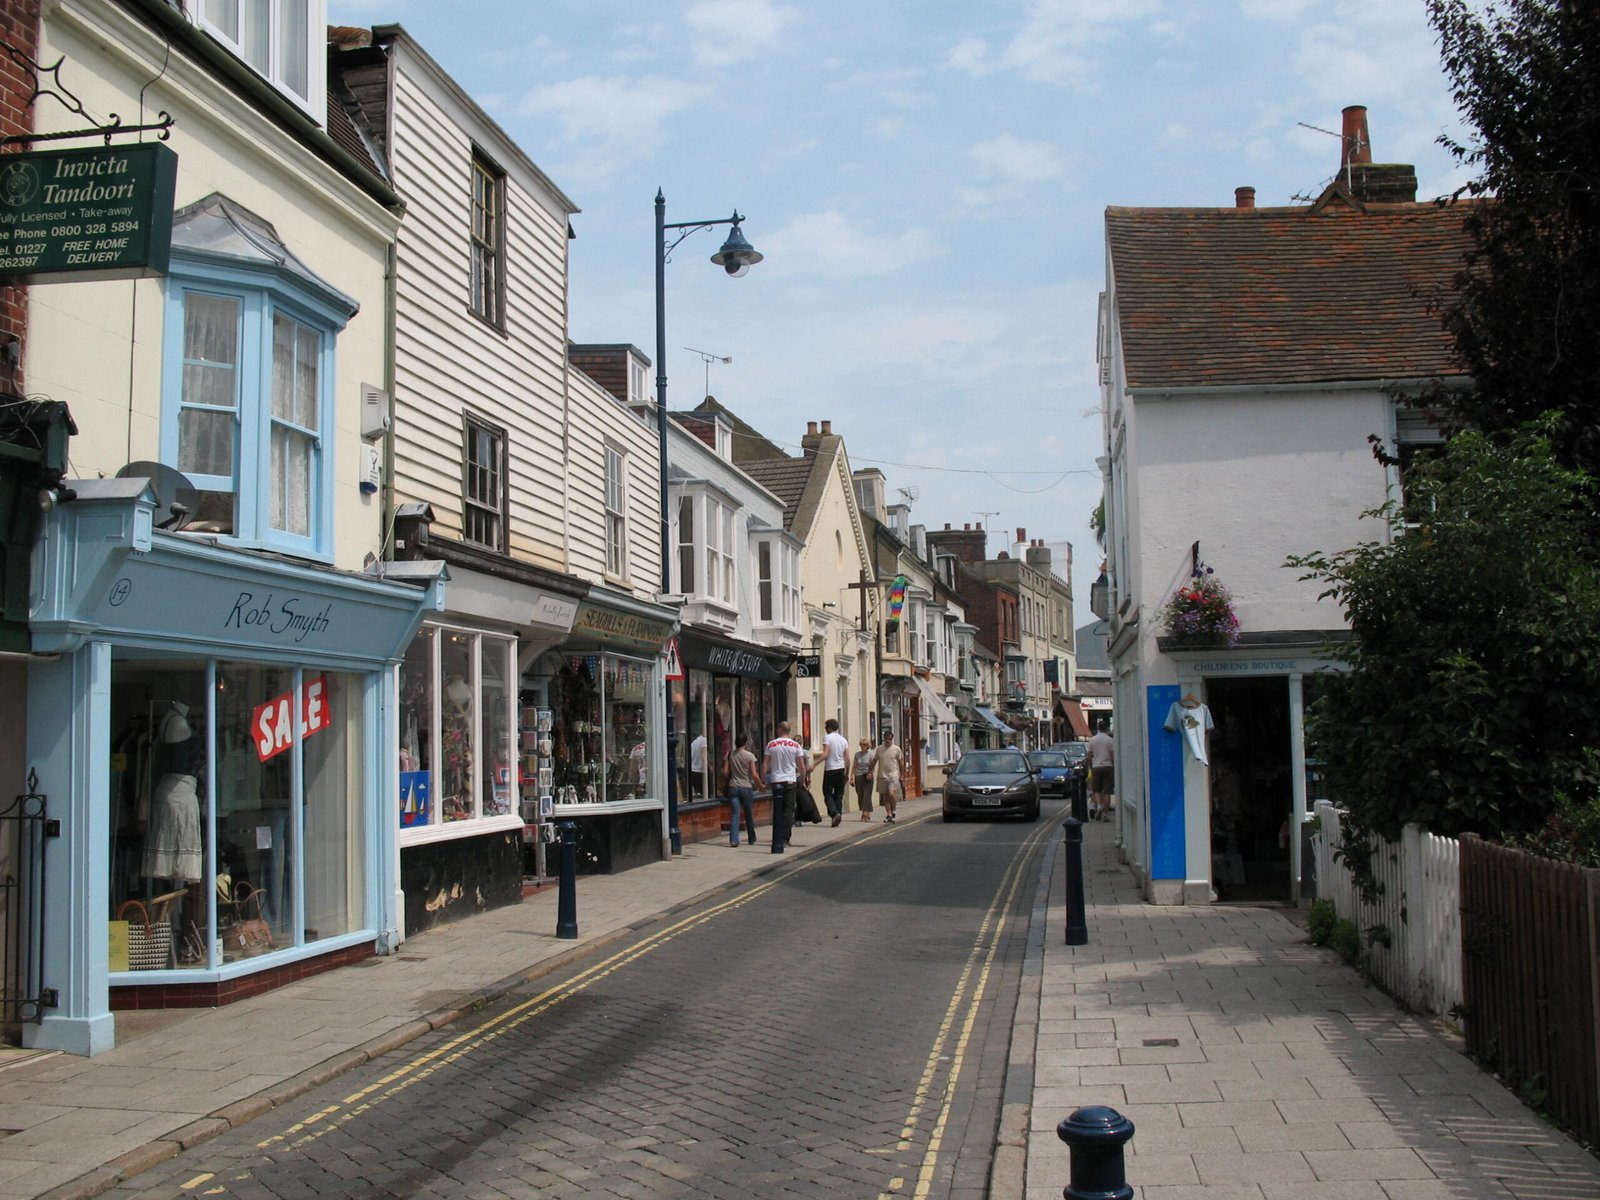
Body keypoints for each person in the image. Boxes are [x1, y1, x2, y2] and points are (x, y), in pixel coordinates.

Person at [763, 721, 808, 853]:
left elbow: (765, 764)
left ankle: (776, 836)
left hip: (776, 780)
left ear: (780, 729)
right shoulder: (795, 745)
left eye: (777, 728)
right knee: (788, 810)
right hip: (790, 781)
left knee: (777, 808)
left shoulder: (771, 744)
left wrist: (762, 780)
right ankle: (785, 838)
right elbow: (802, 766)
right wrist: (802, 780)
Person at [726, 733, 760, 846]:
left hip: (733, 786)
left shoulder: (730, 754)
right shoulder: (750, 756)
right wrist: (760, 786)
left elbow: (725, 772)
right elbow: (754, 774)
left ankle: (734, 840)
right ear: (745, 742)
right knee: (748, 814)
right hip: (746, 787)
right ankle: (751, 837)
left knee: (735, 814)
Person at [818, 717, 850, 827]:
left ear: (830, 727)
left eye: (826, 727)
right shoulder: (843, 740)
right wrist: (847, 773)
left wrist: (814, 764)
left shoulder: (827, 738)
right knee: (839, 795)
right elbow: (848, 758)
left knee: (827, 793)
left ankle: (834, 813)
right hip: (841, 769)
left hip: (830, 769)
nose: (825, 729)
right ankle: (837, 815)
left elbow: (825, 754)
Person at [873, 729, 904, 823]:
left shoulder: (896, 749)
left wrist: (902, 774)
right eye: (886, 739)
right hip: (882, 775)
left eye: (889, 739)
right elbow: (874, 760)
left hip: (893, 776)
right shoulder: (879, 749)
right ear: (884, 739)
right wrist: (870, 771)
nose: (887, 741)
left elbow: (901, 763)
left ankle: (894, 812)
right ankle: (888, 814)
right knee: (885, 797)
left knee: (891, 794)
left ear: (892, 739)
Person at [1088, 721, 1115, 821]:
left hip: (1096, 767)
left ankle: (1099, 806)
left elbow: (1089, 755)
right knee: (1107, 792)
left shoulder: (1092, 740)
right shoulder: (1110, 740)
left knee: (1096, 790)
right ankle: (1105, 815)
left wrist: (1091, 766)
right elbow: (1112, 756)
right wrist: (1114, 766)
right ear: (1107, 728)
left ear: (1098, 728)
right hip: (1108, 767)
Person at [852, 737, 877, 821]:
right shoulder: (857, 754)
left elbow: (872, 765)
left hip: (867, 775)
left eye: (865, 745)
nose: (863, 746)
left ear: (868, 746)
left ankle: (865, 813)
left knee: (867, 794)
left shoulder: (870, 755)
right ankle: (866, 812)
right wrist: (852, 777)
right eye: (862, 744)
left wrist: (870, 773)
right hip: (858, 775)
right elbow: (854, 766)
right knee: (860, 795)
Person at [688, 731, 707, 798]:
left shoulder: (694, 742)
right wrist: (708, 767)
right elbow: (703, 755)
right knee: (705, 794)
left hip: (693, 770)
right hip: (700, 771)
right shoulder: (704, 740)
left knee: (697, 795)